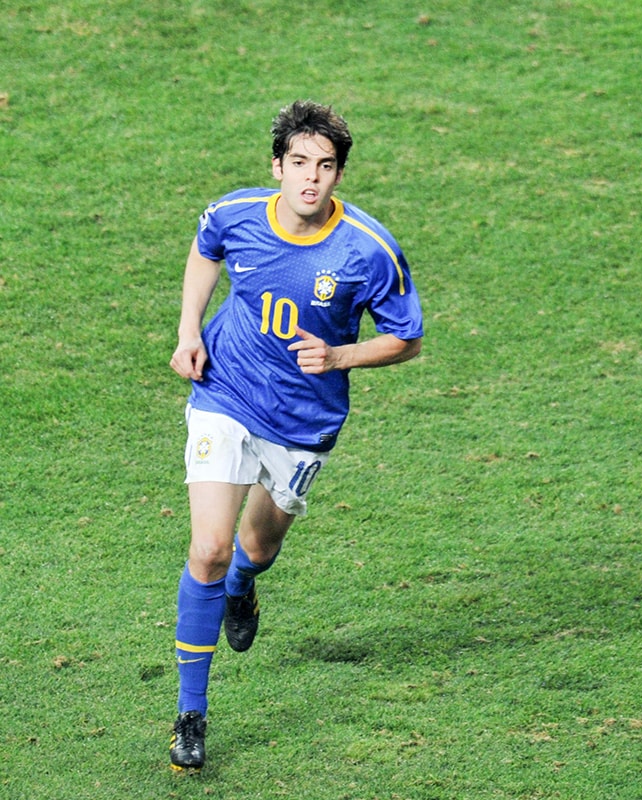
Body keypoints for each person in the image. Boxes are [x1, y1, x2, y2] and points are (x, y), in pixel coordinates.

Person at [166, 100, 423, 772]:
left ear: (340, 176)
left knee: (257, 543)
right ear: (277, 165)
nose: (312, 178)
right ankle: (191, 714)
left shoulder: (368, 249)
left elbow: (408, 339)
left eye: (327, 166)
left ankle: (244, 586)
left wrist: (340, 356)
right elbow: (205, 252)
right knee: (209, 545)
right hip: (225, 393)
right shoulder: (235, 215)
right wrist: (190, 330)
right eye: (300, 163)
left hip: (304, 421)